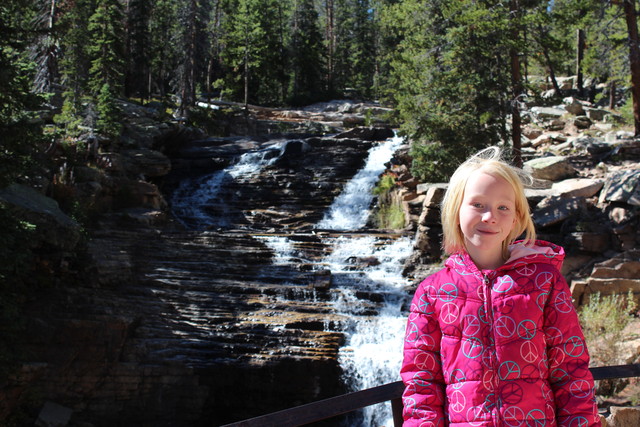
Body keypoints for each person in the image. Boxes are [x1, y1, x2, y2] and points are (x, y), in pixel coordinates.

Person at [400, 146, 601, 426]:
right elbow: (422, 383)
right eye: (478, 204)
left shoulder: (543, 282)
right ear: (455, 209)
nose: (489, 216)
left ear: (517, 219)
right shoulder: (432, 292)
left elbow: (570, 370)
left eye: (502, 207)